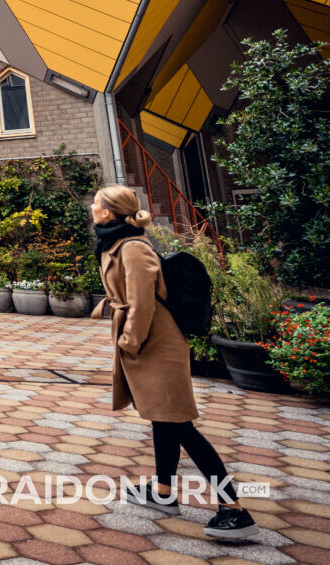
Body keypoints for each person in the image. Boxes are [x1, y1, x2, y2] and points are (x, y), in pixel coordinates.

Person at [90, 184, 259, 540]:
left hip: (158, 344)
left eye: (97, 203)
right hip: (146, 342)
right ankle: (163, 492)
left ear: (109, 212)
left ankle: (235, 509)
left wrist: (129, 341)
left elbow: (143, 303)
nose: (92, 207)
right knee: (162, 419)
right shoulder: (115, 243)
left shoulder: (133, 247)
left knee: (180, 424)